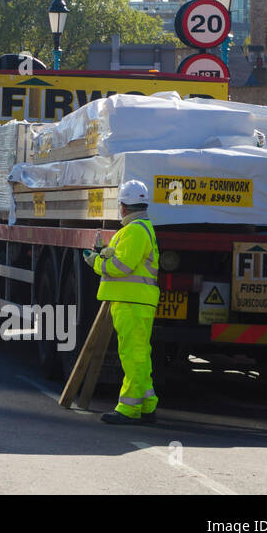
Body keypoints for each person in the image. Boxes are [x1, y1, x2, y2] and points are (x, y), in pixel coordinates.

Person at [84, 179, 160, 425]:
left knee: (132, 355)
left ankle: (128, 409)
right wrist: (106, 252)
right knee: (140, 355)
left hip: (132, 302)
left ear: (124, 207)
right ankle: (147, 406)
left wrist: (96, 262)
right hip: (135, 301)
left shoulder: (136, 230)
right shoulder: (138, 229)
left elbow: (122, 267)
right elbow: (125, 258)